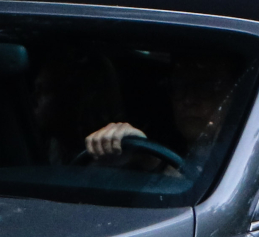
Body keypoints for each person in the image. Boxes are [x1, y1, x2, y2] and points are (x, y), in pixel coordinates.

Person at [80, 49, 245, 172]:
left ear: (234, 94)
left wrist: (151, 160)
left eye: (205, 88)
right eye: (179, 87)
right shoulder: (163, 141)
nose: (188, 100)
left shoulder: (248, 158)